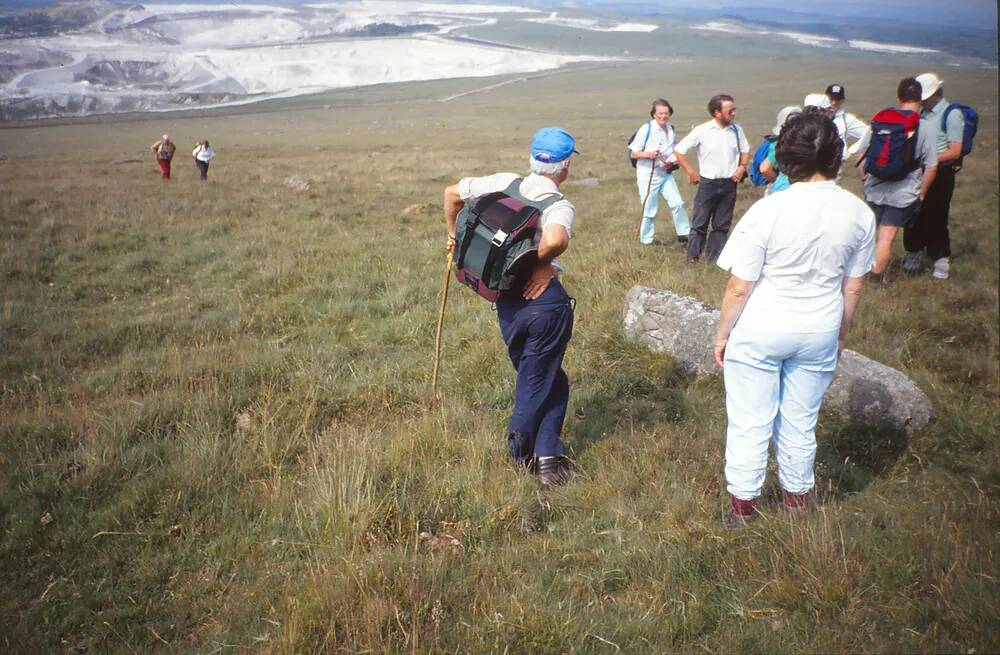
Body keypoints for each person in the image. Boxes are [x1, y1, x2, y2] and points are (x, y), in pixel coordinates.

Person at [713, 112, 876, 526]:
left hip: (762, 327)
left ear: (787, 156)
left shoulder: (769, 211)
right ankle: (795, 503)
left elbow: (738, 286)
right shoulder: (860, 214)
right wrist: (840, 334)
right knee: (801, 421)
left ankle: (743, 509)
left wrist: (721, 334)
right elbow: (853, 287)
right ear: (836, 155)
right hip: (820, 326)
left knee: (750, 420)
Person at [442, 127, 578, 488]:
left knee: (549, 378)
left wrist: (453, 235)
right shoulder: (558, 206)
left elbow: (451, 193)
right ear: (564, 167)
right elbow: (556, 238)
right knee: (536, 383)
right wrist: (541, 264)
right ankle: (519, 455)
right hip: (544, 305)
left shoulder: (504, 182)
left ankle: (549, 458)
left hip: (505, 303)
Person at [855, 77, 938, 282]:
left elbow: (861, 155)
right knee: (886, 237)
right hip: (903, 192)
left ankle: (856, 274)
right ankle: (874, 281)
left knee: (868, 236)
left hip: (874, 188)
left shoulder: (881, 119)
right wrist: (922, 194)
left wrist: (865, 180)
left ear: (898, 97)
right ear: (920, 98)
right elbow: (932, 166)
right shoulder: (925, 126)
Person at [673, 94, 750, 264]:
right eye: (730, 111)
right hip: (708, 183)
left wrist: (742, 167)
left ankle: (713, 259)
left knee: (722, 225)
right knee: (700, 223)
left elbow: (745, 150)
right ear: (717, 112)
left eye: (734, 110)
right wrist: (690, 171)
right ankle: (692, 259)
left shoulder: (737, 130)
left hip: (730, 183)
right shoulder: (702, 130)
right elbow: (679, 150)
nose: (733, 114)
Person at [902, 72, 965, 280]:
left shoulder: (951, 114)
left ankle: (940, 259)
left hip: (941, 175)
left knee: (937, 216)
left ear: (936, 93)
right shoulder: (922, 114)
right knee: (913, 214)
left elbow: (955, 150)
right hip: (918, 171)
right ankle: (913, 253)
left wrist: (930, 160)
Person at [628, 98, 691, 245]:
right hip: (648, 174)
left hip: (665, 173)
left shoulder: (670, 129)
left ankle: (685, 234)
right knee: (649, 208)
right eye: (660, 113)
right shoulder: (646, 129)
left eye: (666, 113)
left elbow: (672, 150)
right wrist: (649, 154)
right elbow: (633, 153)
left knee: (677, 203)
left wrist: (673, 160)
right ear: (654, 115)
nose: (663, 116)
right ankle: (646, 241)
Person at [757, 105, 801, 194]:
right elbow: (764, 168)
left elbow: (765, 169)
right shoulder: (781, 144)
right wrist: (777, 181)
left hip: (781, 188)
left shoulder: (778, 143)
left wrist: (776, 182)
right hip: (787, 188)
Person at [825, 83, 868, 159]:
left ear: (842, 100)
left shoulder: (847, 120)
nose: (834, 103)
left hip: (837, 166)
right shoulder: (813, 115)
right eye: (831, 99)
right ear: (824, 98)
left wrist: (853, 149)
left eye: (837, 99)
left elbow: (869, 133)